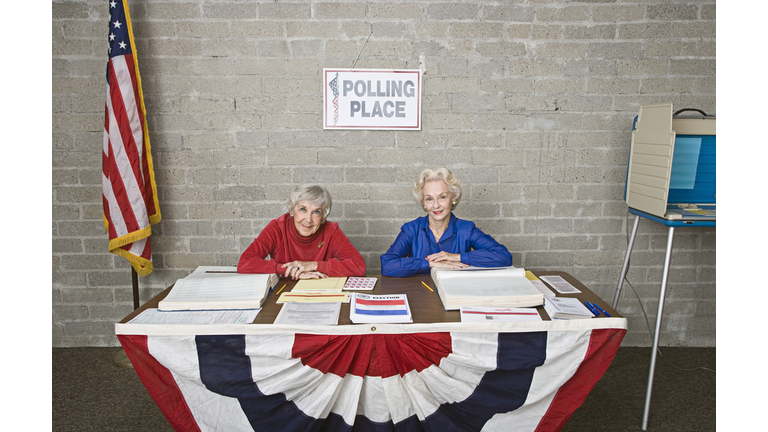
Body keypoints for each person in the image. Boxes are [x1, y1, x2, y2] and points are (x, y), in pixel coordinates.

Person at [380, 167, 512, 277]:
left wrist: (457, 257)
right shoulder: (411, 229)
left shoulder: (466, 229)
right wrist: (429, 263)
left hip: (458, 294)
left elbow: (504, 257)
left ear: (453, 197)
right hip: (420, 295)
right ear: (424, 203)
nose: (436, 205)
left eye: (442, 197)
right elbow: (387, 265)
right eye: (429, 199)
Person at [238, 184, 366, 279]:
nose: (308, 219)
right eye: (303, 209)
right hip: (282, 293)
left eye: (316, 212)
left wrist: (313, 265)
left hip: (322, 294)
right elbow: (245, 263)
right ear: (292, 210)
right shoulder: (277, 228)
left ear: (323, 216)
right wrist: (288, 270)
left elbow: (359, 267)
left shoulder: (331, 231)